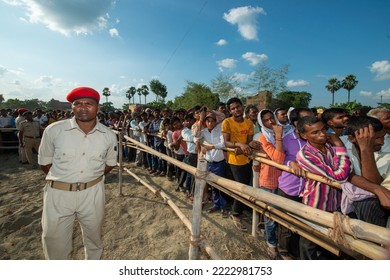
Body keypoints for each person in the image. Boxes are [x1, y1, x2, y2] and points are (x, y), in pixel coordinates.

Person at [38, 87, 117, 260]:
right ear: (72, 107)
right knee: (54, 243)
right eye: (77, 103)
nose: (83, 107)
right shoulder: (54, 130)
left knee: (94, 240)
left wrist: (90, 177)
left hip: (92, 193)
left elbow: (110, 164)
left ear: (98, 107)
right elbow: (45, 163)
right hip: (58, 194)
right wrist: (65, 179)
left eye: (89, 103)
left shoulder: (108, 135)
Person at [296, 115, 352, 259]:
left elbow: (346, 169)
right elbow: (340, 177)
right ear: (303, 135)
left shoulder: (329, 147)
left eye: (323, 130)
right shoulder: (305, 155)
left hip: (335, 203)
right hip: (315, 203)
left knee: (331, 240)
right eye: (315, 132)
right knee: (309, 241)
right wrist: (340, 145)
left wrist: (339, 156)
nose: (322, 134)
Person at [339, 116, 389, 226]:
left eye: (383, 137)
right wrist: (377, 189)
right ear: (352, 138)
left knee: (368, 204)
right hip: (345, 201)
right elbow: (342, 173)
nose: (382, 142)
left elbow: (373, 181)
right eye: (376, 138)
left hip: (377, 202)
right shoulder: (339, 144)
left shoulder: (386, 147)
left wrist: (366, 149)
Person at [221, 97, 254, 232]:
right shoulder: (227, 122)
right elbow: (226, 142)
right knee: (241, 188)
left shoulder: (249, 123)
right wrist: (239, 144)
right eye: (233, 108)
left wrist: (249, 145)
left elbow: (250, 143)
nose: (236, 110)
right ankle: (236, 214)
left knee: (246, 186)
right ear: (230, 110)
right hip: (234, 161)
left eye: (238, 107)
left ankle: (242, 209)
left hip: (247, 160)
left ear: (242, 106)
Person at [257, 109, 285, 259]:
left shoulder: (283, 133)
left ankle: (279, 243)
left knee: (281, 215)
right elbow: (279, 159)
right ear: (262, 123)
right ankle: (271, 244)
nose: (271, 123)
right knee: (271, 217)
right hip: (269, 181)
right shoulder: (263, 137)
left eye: (271, 119)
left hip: (284, 181)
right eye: (266, 120)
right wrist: (279, 137)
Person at [196, 112, 228, 218]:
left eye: (212, 121)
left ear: (215, 122)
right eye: (208, 121)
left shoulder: (219, 130)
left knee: (221, 185)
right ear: (206, 122)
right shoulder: (204, 131)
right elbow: (196, 136)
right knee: (213, 185)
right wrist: (200, 120)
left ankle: (223, 207)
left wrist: (211, 147)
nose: (210, 123)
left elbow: (223, 143)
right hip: (208, 162)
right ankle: (216, 205)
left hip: (219, 163)